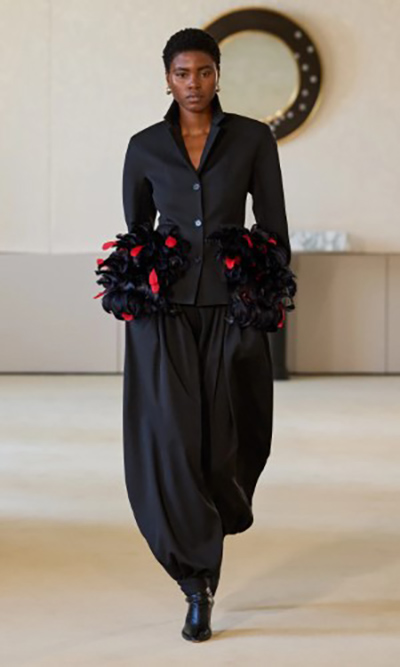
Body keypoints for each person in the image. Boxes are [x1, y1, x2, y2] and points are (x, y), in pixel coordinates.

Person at [97, 27, 296, 643]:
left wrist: (258, 293)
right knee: (174, 443)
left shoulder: (253, 139)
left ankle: (219, 519)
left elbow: (274, 227)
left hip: (231, 311)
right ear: (167, 78)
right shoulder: (144, 147)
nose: (194, 84)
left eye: (204, 72)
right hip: (165, 316)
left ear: (218, 74)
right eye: (182, 73)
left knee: (226, 443)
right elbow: (136, 231)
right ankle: (196, 584)